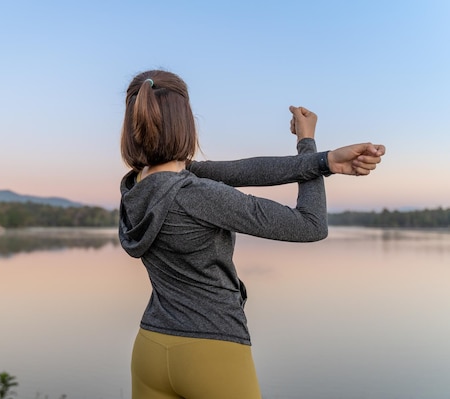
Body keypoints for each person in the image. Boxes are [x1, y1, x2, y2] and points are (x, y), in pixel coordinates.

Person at [118, 70, 386, 399]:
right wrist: (307, 142)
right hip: (211, 354)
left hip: (150, 349)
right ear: (186, 122)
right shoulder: (196, 193)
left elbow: (243, 170)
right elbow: (310, 224)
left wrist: (324, 161)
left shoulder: (135, 187)